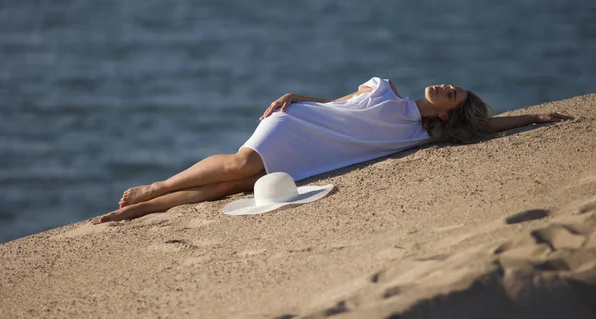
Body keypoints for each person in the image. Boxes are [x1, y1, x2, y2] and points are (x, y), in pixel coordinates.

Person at [98, 77, 571, 223]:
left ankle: (143, 210)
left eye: (452, 95)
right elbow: (339, 104)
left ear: (446, 115)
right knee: (242, 162)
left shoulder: (420, 133)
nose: (447, 87)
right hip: (300, 125)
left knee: (238, 184)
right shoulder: (384, 87)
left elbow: (488, 124)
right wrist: (299, 97)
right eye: (453, 86)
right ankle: (156, 185)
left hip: (319, 152)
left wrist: (533, 118)